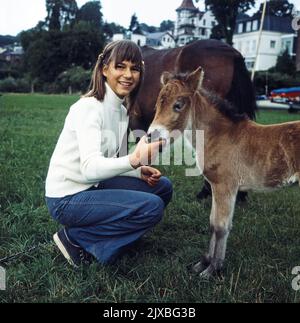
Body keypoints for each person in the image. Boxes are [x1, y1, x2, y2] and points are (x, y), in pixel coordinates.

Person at [45, 40, 173, 268]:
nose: (128, 75)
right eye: (120, 67)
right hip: (66, 199)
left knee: (163, 188)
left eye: (135, 68)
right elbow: (90, 168)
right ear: (105, 69)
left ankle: (113, 237)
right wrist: (134, 159)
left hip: (91, 186)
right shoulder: (88, 108)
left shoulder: (121, 111)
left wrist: (138, 172)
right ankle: (75, 239)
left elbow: (110, 161)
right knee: (151, 207)